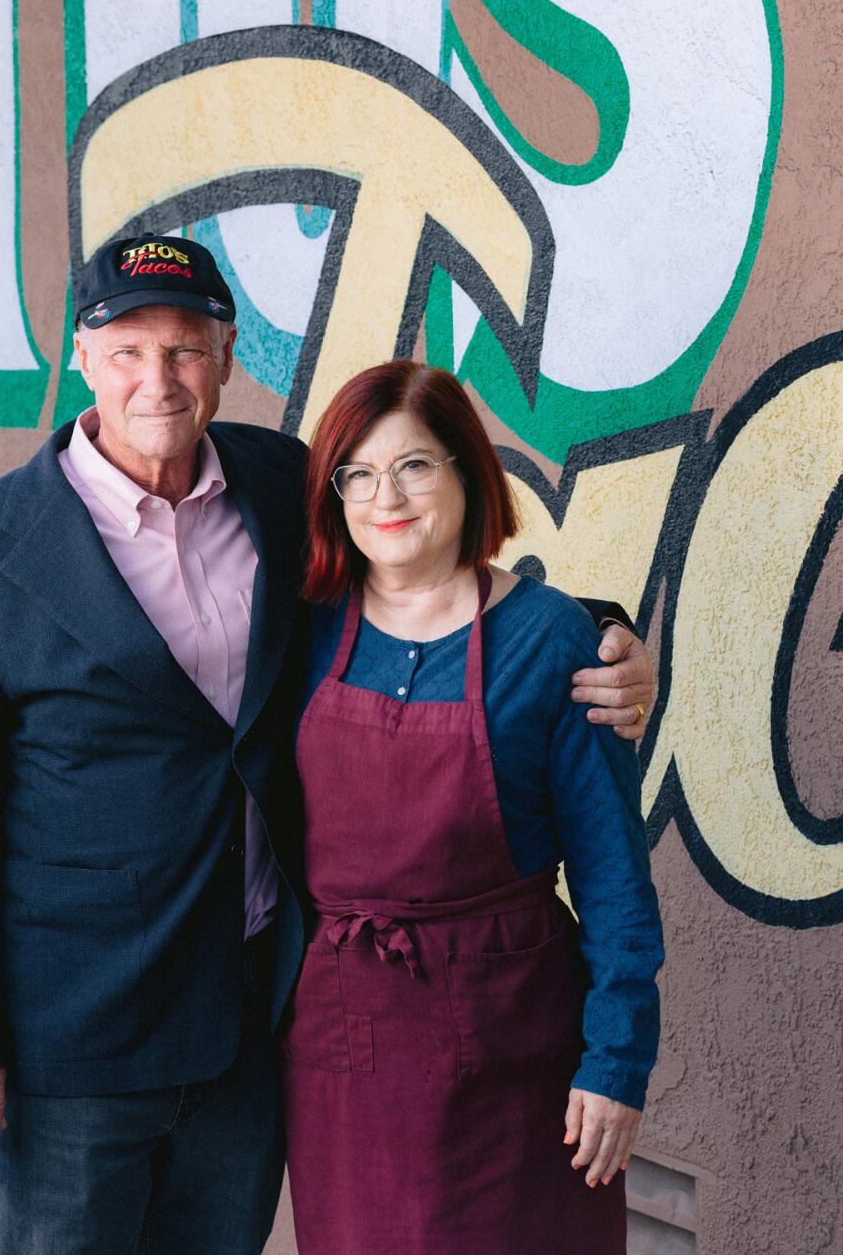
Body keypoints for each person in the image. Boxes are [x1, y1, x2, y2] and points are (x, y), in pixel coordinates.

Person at [0, 233, 659, 1254]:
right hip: (74, 1040)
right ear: (79, 357)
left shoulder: (278, 487)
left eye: (184, 350)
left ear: (223, 354)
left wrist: (597, 633)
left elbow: (422, 578)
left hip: (253, 1021)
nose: (155, 380)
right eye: (126, 351)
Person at [280, 360, 662, 1253]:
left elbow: (612, 874)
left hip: (517, 1046)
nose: (389, 496)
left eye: (416, 465)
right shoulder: (300, 628)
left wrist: (618, 1060)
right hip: (344, 1046)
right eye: (360, 473)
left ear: (466, 473)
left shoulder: (555, 640)